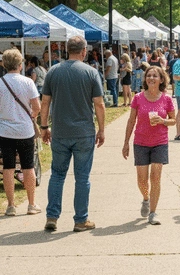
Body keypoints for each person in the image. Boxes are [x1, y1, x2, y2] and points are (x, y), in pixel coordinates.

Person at [40, 36, 105, 232]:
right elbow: (99, 104)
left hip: (60, 131)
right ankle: (80, 219)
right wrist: (102, 129)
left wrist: (44, 127)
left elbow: (45, 102)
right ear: (84, 51)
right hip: (84, 132)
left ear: (67, 50)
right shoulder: (91, 73)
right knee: (82, 177)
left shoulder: (53, 72)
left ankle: (52, 216)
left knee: (57, 175)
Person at [122, 66, 176, 225]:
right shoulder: (138, 97)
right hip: (141, 142)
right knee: (142, 180)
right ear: (145, 79)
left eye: (155, 76)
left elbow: (174, 120)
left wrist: (163, 121)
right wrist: (126, 143)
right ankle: (146, 198)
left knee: (156, 177)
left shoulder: (166, 99)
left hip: (160, 142)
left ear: (161, 79)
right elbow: (131, 120)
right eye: (149, 76)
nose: (151, 78)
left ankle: (153, 212)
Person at [0, 49, 41, 216]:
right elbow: (37, 107)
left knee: (8, 168)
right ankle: (31, 204)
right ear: (20, 64)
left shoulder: (1, 82)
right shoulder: (27, 82)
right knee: (28, 166)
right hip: (25, 130)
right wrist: (32, 116)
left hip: (5, 130)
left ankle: (11, 205)